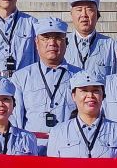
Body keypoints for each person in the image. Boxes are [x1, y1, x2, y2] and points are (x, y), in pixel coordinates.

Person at [12, 17, 82, 153]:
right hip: (32, 148)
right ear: (36, 42)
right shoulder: (21, 77)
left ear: (66, 42)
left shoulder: (80, 77)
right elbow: (16, 120)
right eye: (45, 38)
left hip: (68, 148)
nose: (52, 43)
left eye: (58, 38)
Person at [47, 71, 117, 158]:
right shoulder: (58, 132)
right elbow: (52, 166)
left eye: (95, 91)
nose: (90, 95)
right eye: (84, 90)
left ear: (103, 95)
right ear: (73, 96)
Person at [65, 0, 117, 76]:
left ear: (97, 15)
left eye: (89, 10)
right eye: (79, 10)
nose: (84, 15)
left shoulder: (111, 45)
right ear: (71, 15)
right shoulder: (62, 43)